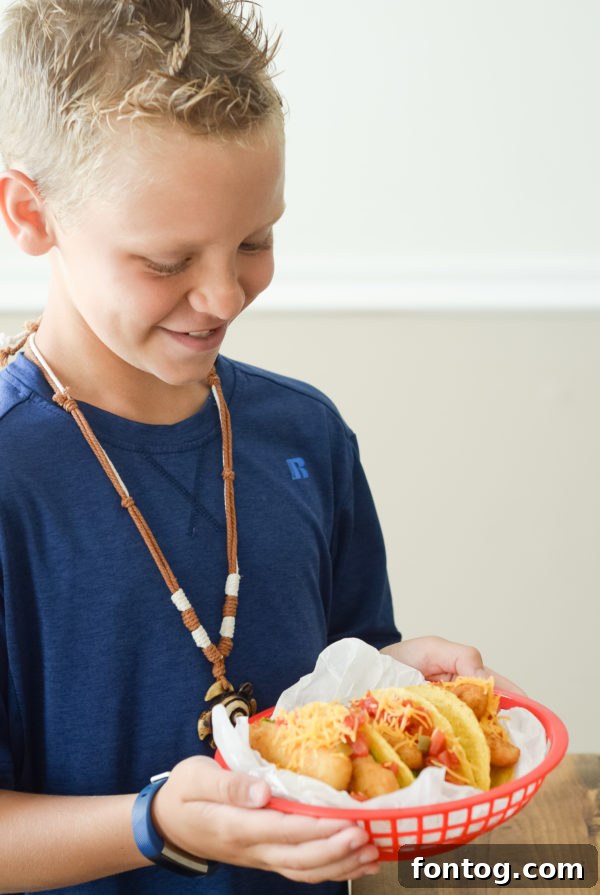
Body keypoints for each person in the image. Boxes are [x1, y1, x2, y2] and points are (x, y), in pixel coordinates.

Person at [0, 2, 522, 893]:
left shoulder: (306, 435)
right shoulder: (15, 477)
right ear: (30, 214)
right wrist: (154, 822)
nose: (222, 295)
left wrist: (400, 683)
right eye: (167, 261)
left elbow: (340, 705)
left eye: (255, 240)